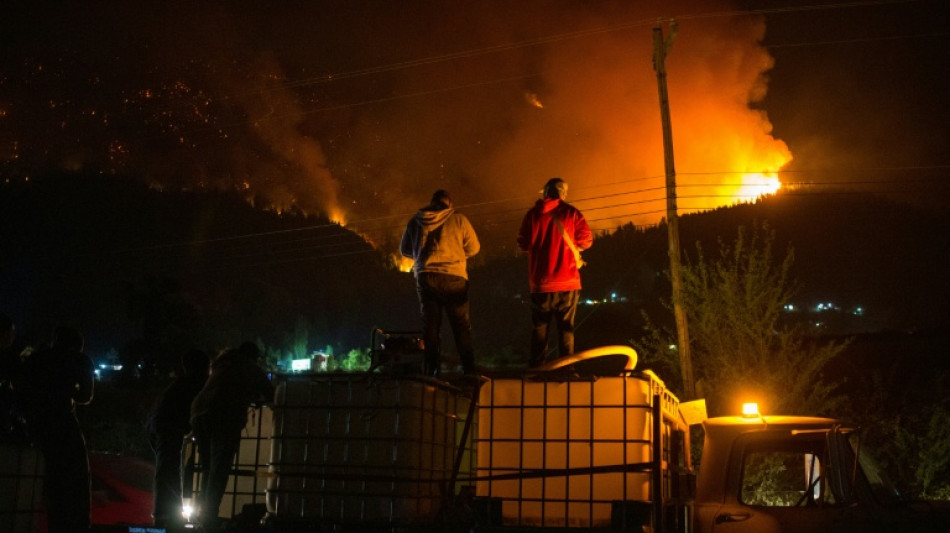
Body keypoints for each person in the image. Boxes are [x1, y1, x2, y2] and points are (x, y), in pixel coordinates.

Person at [17, 325, 95, 533]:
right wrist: (70, 391)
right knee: (76, 477)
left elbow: (21, 390)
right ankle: (75, 525)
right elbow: (85, 397)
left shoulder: (38, 358)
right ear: (78, 345)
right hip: (63, 422)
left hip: (35, 423)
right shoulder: (80, 361)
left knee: (47, 478)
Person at [189, 342, 273, 531]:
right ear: (253, 357)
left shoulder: (223, 364)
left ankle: (203, 517)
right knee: (219, 470)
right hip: (224, 415)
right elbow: (271, 392)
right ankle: (209, 519)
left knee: (207, 468)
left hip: (199, 412)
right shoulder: (248, 366)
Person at [400, 189, 481, 376]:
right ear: (449, 204)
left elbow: (404, 250)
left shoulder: (416, 221)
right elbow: (474, 248)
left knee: (431, 327)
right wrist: (458, 255)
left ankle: (431, 371)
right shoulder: (459, 219)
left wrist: (422, 255)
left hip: (426, 277)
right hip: (454, 278)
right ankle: (469, 371)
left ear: (432, 202)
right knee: (461, 326)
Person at [517, 177, 593, 367]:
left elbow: (523, 243)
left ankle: (537, 369)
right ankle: (566, 369)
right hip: (568, 282)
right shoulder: (572, 213)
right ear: (563, 193)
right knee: (565, 328)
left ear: (545, 193)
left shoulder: (532, 215)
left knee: (540, 328)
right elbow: (586, 241)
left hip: (540, 284)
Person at [146, 348, 210, 529]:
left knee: (168, 469)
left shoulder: (180, 383)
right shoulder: (195, 383)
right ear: (203, 367)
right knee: (169, 469)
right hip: (167, 426)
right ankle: (166, 515)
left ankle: (166, 514)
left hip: (158, 425)